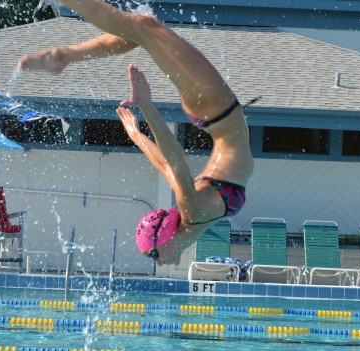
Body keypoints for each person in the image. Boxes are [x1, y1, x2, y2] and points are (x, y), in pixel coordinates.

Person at [18, 0, 254, 266]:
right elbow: (171, 161)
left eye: (153, 256)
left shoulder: (191, 210)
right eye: (153, 255)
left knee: (143, 27)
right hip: (214, 109)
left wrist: (141, 125)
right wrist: (142, 118)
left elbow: (169, 161)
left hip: (215, 108)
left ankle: (66, 50)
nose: (159, 262)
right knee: (141, 30)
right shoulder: (194, 213)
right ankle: (66, 55)